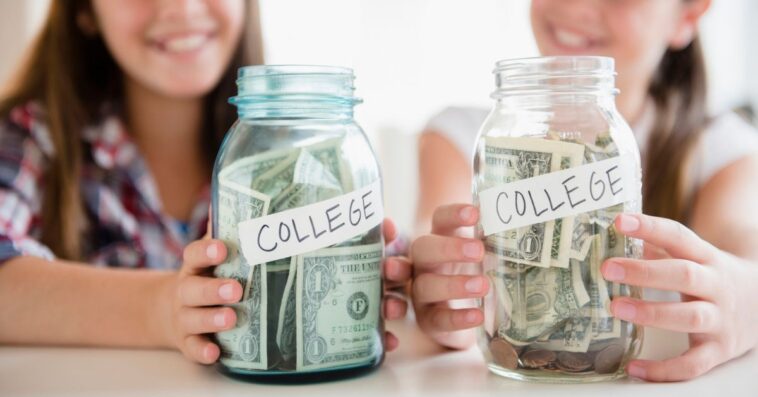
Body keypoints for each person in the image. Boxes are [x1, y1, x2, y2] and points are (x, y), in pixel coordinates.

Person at [0, 0, 407, 364]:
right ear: (84, 11)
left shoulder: (305, 152)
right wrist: (161, 309)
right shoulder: (31, 139)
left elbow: (393, 268)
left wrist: (429, 284)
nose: (181, 8)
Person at [411, 0, 758, 382]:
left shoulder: (726, 149)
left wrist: (749, 295)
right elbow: (440, 256)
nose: (576, 5)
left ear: (687, 15)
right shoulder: (463, 136)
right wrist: (448, 298)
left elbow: (744, 246)